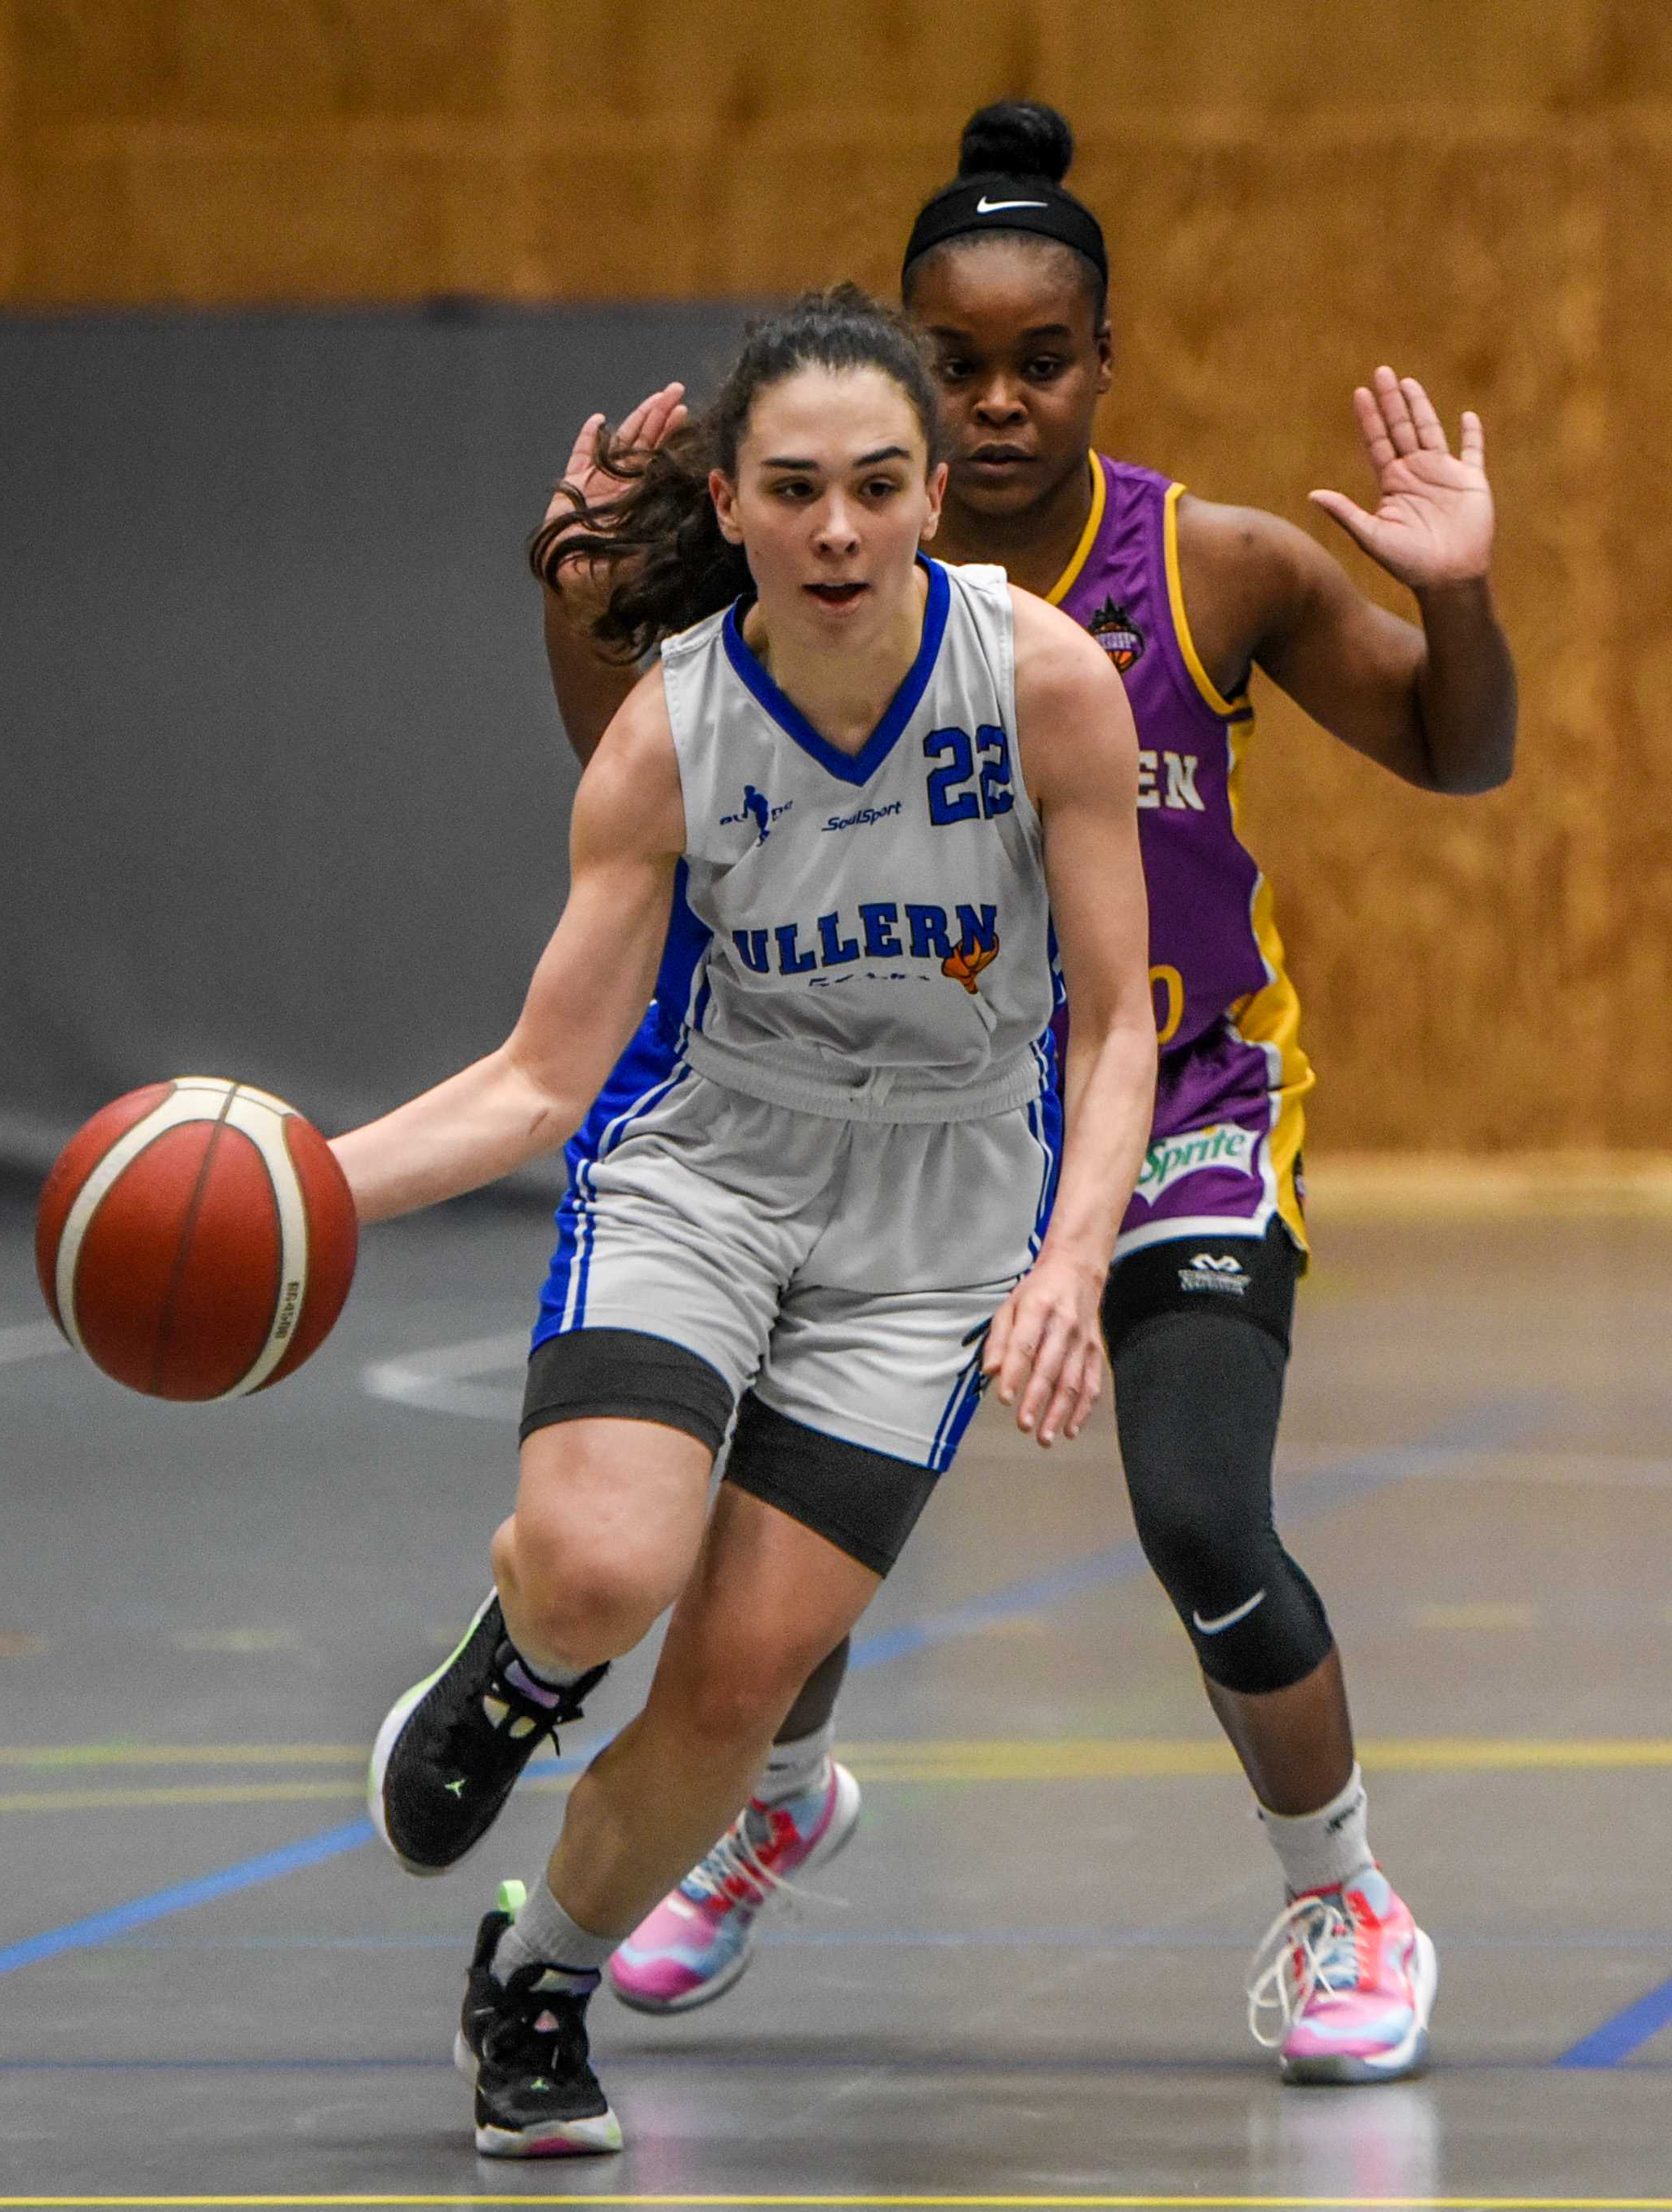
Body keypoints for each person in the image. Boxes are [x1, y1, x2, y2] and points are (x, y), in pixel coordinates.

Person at [530, 105, 1517, 2087]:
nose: (994, 404)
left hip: (1178, 1100)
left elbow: (1453, 746)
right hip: (900, 1126)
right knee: (774, 1537)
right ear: (895, 366)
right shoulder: (817, 573)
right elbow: (643, 782)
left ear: (1101, 360)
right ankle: (776, 1795)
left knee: (1198, 1516)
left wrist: (1462, 590)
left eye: (1036, 361)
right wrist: (575, 590)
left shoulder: (1207, 566)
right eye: (952, 364)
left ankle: (1340, 1888)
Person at [345, 283, 1157, 2157]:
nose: (839, 527)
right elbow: (541, 1081)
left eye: (878, 483)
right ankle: (522, 1661)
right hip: (712, 1159)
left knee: (737, 1675)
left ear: (933, 494)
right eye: (794, 488)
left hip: (944, 1202)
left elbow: (1119, 1022)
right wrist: (301, 1190)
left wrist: (1065, 1256)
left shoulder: (1042, 684)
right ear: (727, 504)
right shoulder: (670, 732)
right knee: (605, 1566)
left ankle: (536, 1974)